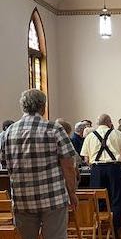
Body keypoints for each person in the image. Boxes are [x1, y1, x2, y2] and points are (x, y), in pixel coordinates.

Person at [0, 89, 77, 239]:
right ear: (43, 107)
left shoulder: (9, 132)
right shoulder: (54, 128)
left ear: (23, 107)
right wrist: (72, 192)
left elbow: (4, 162)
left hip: (22, 200)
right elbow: (68, 165)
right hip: (52, 198)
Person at [80, 114, 121, 238]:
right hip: (114, 168)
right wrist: (118, 166)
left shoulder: (90, 136)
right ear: (109, 122)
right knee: (116, 199)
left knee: (98, 199)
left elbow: (86, 159)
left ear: (97, 123)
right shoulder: (117, 134)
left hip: (97, 170)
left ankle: (100, 229)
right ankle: (114, 230)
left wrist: (95, 167)